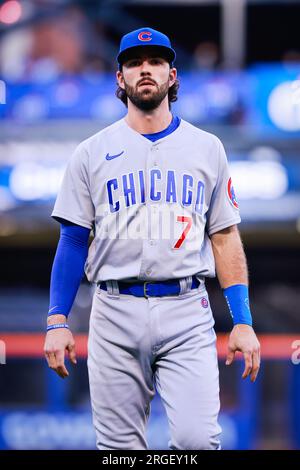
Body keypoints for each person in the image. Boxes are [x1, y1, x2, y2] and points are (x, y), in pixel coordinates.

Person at [44, 27, 260, 450]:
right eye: (134, 63)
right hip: (113, 309)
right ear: (119, 79)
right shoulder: (91, 152)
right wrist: (57, 320)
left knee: (198, 442)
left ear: (172, 76)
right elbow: (72, 240)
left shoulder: (207, 147)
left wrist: (244, 320)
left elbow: (225, 236)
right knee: (120, 451)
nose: (146, 70)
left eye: (156, 62)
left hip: (186, 310)